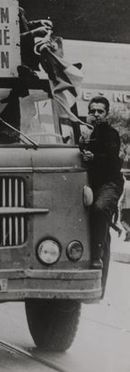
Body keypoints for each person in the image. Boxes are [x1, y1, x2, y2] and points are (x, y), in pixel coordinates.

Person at [80, 96, 123, 273]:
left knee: (99, 209)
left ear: (106, 114)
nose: (96, 114)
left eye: (100, 111)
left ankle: (96, 257)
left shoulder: (111, 134)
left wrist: (95, 158)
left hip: (109, 183)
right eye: (92, 111)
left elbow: (114, 161)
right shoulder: (84, 132)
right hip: (90, 184)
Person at [0, 0, 52, 73]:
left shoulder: (19, 10)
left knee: (48, 48)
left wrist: (40, 22)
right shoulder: (0, 13)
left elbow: (25, 25)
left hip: (26, 53)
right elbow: (9, 39)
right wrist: (34, 33)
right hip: (15, 57)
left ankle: (63, 68)